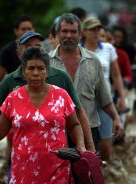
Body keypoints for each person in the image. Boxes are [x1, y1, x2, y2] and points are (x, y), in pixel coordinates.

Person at [0, 46, 86, 184]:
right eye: (31, 68)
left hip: (57, 169)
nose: (36, 73)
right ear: (23, 71)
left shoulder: (61, 95)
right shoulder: (13, 98)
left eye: (40, 68)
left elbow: (74, 125)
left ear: (47, 71)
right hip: (24, 171)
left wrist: (81, 146)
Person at [0, 31, 95, 169]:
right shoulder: (11, 88)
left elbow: (77, 117)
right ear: (19, 54)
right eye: (29, 47)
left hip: (56, 165)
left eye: (38, 46)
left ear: (46, 71)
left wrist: (86, 148)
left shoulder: (61, 83)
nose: (36, 73)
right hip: (23, 165)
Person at [49, 13, 124, 152]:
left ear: (80, 34)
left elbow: (104, 97)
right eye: (64, 31)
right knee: (59, 172)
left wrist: (116, 118)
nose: (69, 35)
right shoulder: (46, 62)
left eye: (73, 32)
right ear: (58, 34)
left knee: (87, 171)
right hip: (55, 130)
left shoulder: (93, 60)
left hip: (89, 128)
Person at [81, 17, 126, 162]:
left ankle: (105, 173)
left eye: (98, 29)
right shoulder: (78, 51)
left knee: (106, 142)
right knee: (88, 141)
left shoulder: (108, 49)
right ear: (83, 32)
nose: (96, 32)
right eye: (92, 29)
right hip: (85, 102)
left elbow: (117, 75)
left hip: (105, 101)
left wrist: (122, 98)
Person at [0, 15, 35, 103]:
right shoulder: (7, 51)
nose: (27, 32)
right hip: (14, 95)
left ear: (34, 30)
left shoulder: (40, 49)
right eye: (23, 29)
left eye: (29, 29)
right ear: (16, 31)